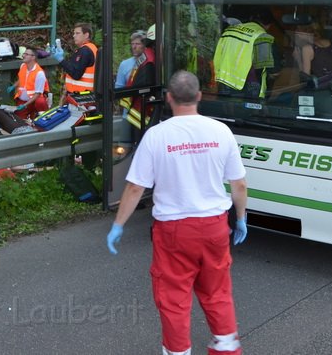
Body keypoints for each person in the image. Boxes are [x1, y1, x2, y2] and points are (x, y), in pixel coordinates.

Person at [106, 70, 247, 355]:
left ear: (169, 98)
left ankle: (178, 352)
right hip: (215, 226)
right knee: (217, 291)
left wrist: (118, 225)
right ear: (198, 96)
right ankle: (227, 347)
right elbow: (239, 184)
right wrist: (241, 218)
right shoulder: (221, 131)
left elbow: (135, 188)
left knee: (174, 298)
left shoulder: (156, 136)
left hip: (174, 231)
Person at [294, 21, 332, 86]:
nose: (296, 34)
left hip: (322, 89)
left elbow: (305, 77)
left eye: (298, 31)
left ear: (306, 33)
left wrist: (298, 59)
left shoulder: (307, 48)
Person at [58, 22, 98, 99]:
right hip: (84, 95)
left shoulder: (85, 51)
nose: (74, 36)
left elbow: (76, 74)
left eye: (77, 33)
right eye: (74, 33)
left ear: (86, 35)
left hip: (81, 97)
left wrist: (61, 60)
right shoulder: (91, 48)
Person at [10, 46, 49, 119]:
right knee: (19, 121)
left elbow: (37, 94)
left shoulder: (39, 73)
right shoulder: (23, 66)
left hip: (34, 101)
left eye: (26, 54)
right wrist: (14, 86)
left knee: (40, 102)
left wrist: (25, 105)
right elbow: (21, 79)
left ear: (33, 57)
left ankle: (42, 116)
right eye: (24, 53)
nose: (23, 55)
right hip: (23, 100)